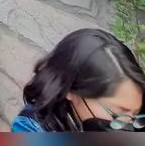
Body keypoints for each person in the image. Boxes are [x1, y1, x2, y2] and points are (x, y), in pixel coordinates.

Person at [12, 28, 145, 132]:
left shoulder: (135, 123)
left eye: (135, 114)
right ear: (70, 90)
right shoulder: (30, 128)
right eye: (119, 114)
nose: (128, 125)